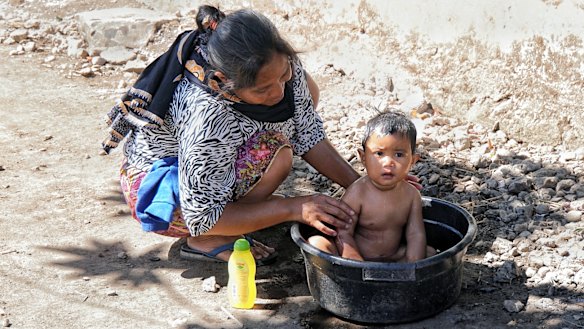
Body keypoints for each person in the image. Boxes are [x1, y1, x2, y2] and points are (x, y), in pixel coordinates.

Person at [101, 5, 361, 266]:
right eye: (262, 89)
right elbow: (201, 215)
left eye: (283, 75)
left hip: (211, 162)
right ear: (222, 81)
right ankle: (206, 240)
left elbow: (308, 133)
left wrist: (360, 185)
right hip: (165, 196)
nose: (279, 92)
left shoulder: (277, 62)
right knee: (275, 152)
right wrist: (295, 208)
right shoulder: (209, 115)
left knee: (304, 88)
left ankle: (248, 208)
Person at [308, 111, 435, 262]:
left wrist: (413, 265)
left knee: (429, 252)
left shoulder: (411, 195)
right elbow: (343, 232)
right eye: (379, 153)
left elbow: (415, 233)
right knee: (317, 243)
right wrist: (355, 261)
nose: (388, 162)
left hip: (392, 257)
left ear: (413, 161)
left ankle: (396, 277)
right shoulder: (358, 192)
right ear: (363, 158)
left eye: (399, 155)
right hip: (355, 258)